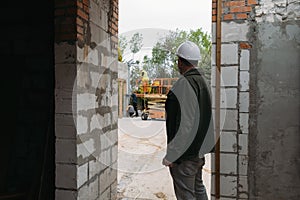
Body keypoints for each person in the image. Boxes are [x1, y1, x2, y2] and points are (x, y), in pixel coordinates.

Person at [162, 41, 214, 200]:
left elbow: (186, 123)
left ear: (180, 62)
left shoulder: (185, 84)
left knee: (186, 194)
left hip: (185, 155)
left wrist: (173, 154)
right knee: (198, 189)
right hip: (198, 152)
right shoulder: (203, 82)